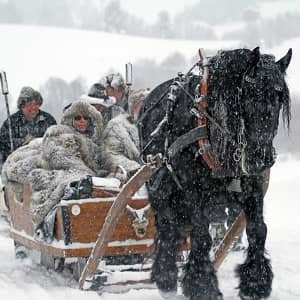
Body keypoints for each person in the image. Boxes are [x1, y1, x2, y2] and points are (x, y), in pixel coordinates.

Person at [1, 100, 113, 237]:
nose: (82, 121)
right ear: (71, 119)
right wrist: (90, 176)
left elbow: (106, 161)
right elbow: (64, 160)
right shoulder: (60, 136)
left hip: (87, 176)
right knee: (66, 184)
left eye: (86, 118)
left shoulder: (96, 142)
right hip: (62, 171)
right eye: (77, 118)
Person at [0, 86, 56, 170]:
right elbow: (2, 146)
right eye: (29, 104)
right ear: (22, 106)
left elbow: (57, 141)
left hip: (44, 168)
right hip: (17, 169)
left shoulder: (48, 120)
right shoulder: (10, 123)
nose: (34, 107)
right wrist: (22, 143)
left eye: (36, 104)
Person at [103, 88, 149, 175]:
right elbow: (111, 156)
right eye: (142, 105)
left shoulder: (155, 127)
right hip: (129, 180)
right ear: (134, 106)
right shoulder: (116, 126)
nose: (146, 108)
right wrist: (136, 169)